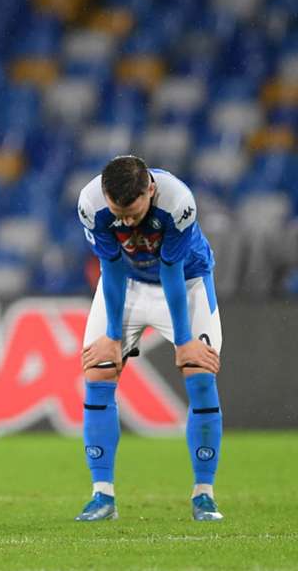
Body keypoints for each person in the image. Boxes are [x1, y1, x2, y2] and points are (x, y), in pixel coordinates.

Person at [75, 155, 224, 522]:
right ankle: (102, 496)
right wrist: (113, 337)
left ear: (150, 190)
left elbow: (172, 269)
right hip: (126, 283)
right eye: (119, 213)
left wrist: (185, 341)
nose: (126, 221)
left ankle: (204, 495)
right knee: (99, 369)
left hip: (186, 281)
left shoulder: (178, 201)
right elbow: (110, 267)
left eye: (133, 212)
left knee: (199, 372)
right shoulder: (91, 203)